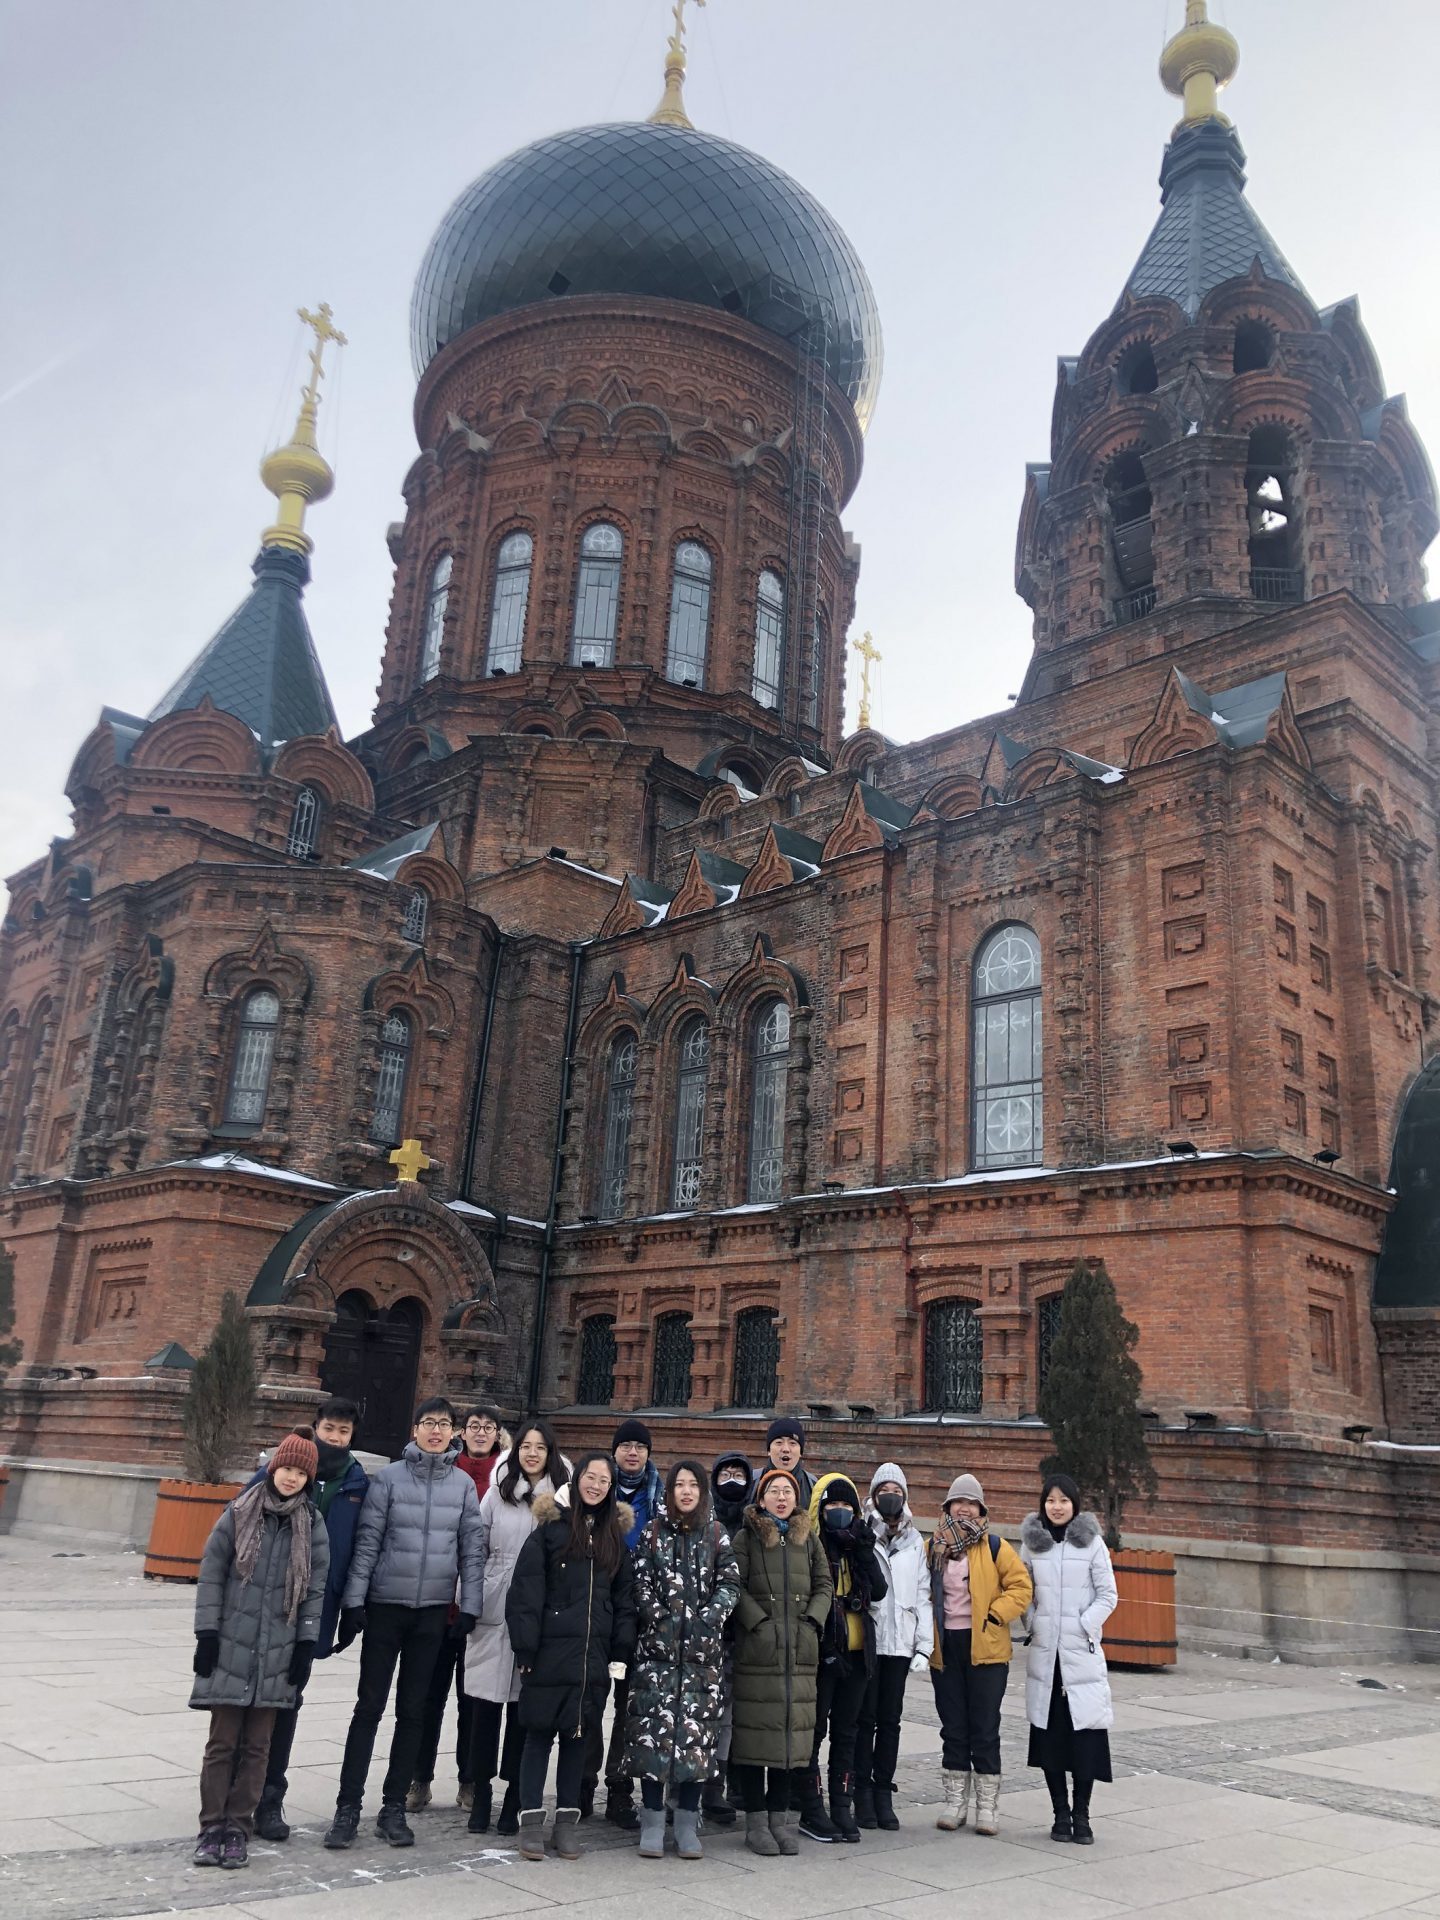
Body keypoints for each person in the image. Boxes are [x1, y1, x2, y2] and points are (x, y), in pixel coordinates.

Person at [325, 1395, 485, 1851]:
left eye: (443, 1424)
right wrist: (355, 1602)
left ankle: (393, 1806)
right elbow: (369, 1542)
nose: (436, 1430)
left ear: (452, 1433)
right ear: (414, 1429)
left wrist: (468, 1606)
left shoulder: (462, 1487)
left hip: (433, 1612)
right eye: (428, 1422)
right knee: (368, 1708)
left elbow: (471, 1551)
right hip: (386, 1607)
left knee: (413, 1712)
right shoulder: (389, 1479)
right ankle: (347, 1807)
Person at [189, 1427, 330, 1871]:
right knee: (222, 1744)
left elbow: (315, 1590)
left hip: (279, 1650)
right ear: (274, 1468)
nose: (291, 1478)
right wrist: (206, 1635)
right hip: (231, 1645)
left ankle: (237, 1828)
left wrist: (306, 1644)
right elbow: (211, 1575)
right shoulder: (238, 1513)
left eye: (300, 1472)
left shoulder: (313, 1525)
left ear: (309, 1478)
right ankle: (211, 1826)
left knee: (257, 1747)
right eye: (286, 1468)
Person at [506, 1450, 637, 1862]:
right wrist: (526, 1647)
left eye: (604, 1480)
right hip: (549, 1652)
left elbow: (624, 1601)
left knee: (577, 1739)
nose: (596, 1485)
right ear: (577, 1479)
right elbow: (526, 1592)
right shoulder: (551, 1530)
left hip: (592, 1656)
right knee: (538, 1735)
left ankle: (566, 1822)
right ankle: (530, 1822)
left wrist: (620, 1650)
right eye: (590, 1477)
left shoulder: (614, 1536)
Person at [253, 1398, 368, 1843]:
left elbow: (361, 1545)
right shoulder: (288, 1466)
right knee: (256, 1698)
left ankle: (270, 1796)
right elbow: (239, 1517)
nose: (335, 1437)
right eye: (329, 1428)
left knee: (289, 1699)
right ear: (315, 1427)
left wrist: (352, 1606)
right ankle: (245, 1791)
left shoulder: (357, 1480)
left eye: (343, 1431)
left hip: (317, 1606)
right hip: (267, 1603)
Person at [625, 1459, 739, 1860]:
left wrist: (708, 1619)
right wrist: (657, 1616)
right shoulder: (654, 1534)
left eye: (693, 1485)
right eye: (679, 1485)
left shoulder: (717, 1534)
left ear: (702, 1492)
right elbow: (638, 1580)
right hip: (657, 1654)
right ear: (670, 1491)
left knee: (696, 1739)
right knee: (654, 1737)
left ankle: (688, 1820)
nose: (686, 1492)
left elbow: (729, 1582)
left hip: (701, 1657)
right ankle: (653, 1818)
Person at [463, 1419, 567, 1836]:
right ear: (516, 1450)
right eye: (526, 1446)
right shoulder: (496, 1493)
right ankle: (480, 1791)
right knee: (483, 1708)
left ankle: (513, 1795)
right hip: (493, 1605)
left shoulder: (561, 1499)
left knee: (523, 1713)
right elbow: (475, 1548)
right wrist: (469, 1602)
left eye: (541, 1448)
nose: (533, 1454)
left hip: (536, 1614)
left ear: (551, 1454)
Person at [407, 1405, 508, 1816]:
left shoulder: (505, 1478)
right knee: (427, 1698)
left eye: (488, 1427)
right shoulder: (448, 1470)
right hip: (438, 1603)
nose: (480, 1433)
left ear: (498, 1435)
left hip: (480, 1609)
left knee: (474, 1701)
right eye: (473, 1427)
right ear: (460, 1433)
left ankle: (469, 1780)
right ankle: (420, 1779)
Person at [729, 1466, 833, 1858]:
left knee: (791, 1738)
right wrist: (757, 1623)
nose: (782, 1497)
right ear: (761, 1497)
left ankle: (779, 1821)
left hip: (800, 1653)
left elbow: (824, 1583)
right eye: (774, 1490)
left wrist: (812, 1621)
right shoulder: (747, 1537)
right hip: (760, 1651)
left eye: (788, 1491)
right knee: (758, 1736)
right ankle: (756, 1823)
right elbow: (733, 1584)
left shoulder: (808, 1541)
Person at [927, 1472, 1032, 1837]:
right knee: (953, 1726)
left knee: (984, 1728)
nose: (965, 1508)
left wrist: (995, 1613)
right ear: (948, 1507)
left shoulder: (995, 1547)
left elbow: (1021, 1586)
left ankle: (987, 1806)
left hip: (986, 1648)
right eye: (959, 1502)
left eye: (971, 1503)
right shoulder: (934, 1546)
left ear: (981, 1509)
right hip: (946, 1648)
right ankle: (955, 1802)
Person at [1020, 1472, 1117, 1845]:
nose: (1056, 1507)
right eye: (1050, 1500)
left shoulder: (1091, 1544)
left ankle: (1083, 1814)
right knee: (1051, 1740)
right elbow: (1022, 1590)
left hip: (1081, 1656)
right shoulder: (1032, 1544)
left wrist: (1084, 1625)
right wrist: (1032, 1622)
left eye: (1063, 1500)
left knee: (1084, 1740)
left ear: (1074, 1504)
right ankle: (1060, 1813)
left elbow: (1108, 1595)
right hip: (1046, 1658)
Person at [581, 1415, 663, 1828]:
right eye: (626, 1446)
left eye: (640, 1447)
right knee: (590, 1701)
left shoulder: (661, 1497)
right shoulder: (594, 1491)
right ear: (614, 1452)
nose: (633, 1453)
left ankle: (618, 1789)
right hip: (598, 1611)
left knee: (628, 1706)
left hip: (641, 1618)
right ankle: (581, 1783)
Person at [800, 1472, 889, 1844]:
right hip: (824, 1652)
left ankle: (842, 1803)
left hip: (857, 1652)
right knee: (815, 1731)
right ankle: (811, 1806)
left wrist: (865, 1551)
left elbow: (880, 1592)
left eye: (846, 1505)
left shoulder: (861, 1543)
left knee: (848, 1732)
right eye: (832, 1504)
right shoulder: (811, 1544)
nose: (839, 1511)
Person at [854, 1462, 933, 1832]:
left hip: (900, 1643)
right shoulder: (861, 1532)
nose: (891, 1497)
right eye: (884, 1490)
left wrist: (924, 1646)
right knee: (863, 1720)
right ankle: (861, 1793)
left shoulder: (916, 1540)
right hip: (870, 1641)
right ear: (873, 1495)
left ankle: (883, 1790)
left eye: (897, 1491)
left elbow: (923, 1594)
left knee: (889, 1722)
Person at [704, 1450, 754, 1827]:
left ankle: (715, 1786)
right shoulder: (703, 1521)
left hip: (741, 1632)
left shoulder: (755, 1526)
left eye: (739, 1474)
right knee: (698, 1709)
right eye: (726, 1474)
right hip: (704, 1632)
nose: (732, 1480)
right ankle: (690, 1782)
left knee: (729, 1715)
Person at [765, 1416, 815, 1508]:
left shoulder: (812, 1485)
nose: (786, 1449)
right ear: (769, 1450)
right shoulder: (752, 1482)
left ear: (801, 1452)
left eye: (792, 1443)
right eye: (779, 1442)